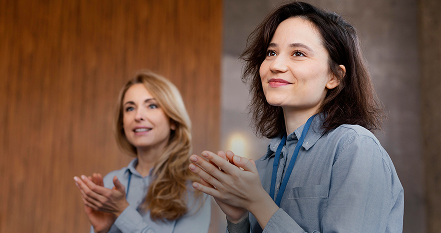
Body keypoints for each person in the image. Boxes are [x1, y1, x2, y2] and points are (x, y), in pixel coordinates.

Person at [188, 2, 404, 233]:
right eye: (271, 53)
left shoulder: (355, 147)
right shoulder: (264, 165)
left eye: (298, 53)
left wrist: (257, 203)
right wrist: (238, 217)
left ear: (335, 76)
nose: (276, 65)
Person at [74, 71, 211, 233]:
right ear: (122, 124)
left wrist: (122, 211)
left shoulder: (196, 187)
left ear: (173, 120)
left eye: (152, 105)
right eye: (130, 108)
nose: (138, 116)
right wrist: (100, 231)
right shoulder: (110, 181)